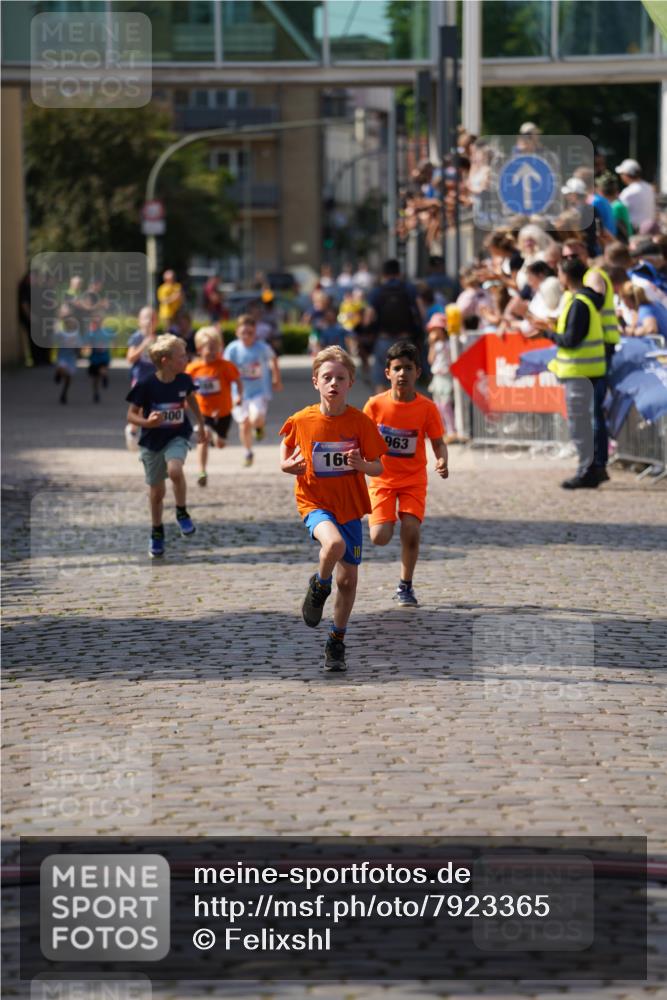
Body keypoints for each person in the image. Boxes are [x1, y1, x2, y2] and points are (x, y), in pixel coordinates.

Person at [279, 346, 387, 673]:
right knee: (334, 544)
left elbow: (378, 466)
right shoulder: (302, 419)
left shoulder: (360, 423)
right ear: (315, 381)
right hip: (314, 502)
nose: (333, 384)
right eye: (327, 377)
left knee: (349, 581)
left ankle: (336, 640)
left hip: (349, 507)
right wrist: (286, 465)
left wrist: (362, 465)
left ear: (351, 382)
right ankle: (319, 585)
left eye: (340, 378)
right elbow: (286, 446)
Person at [363, 340, 448, 607]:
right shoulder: (375, 405)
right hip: (382, 480)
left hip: (413, 480)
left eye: (408, 368)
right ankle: (384, 518)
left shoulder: (427, 408)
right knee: (379, 537)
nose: (402, 374)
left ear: (417, 372)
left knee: (411, 529)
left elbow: (438, 442)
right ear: (387, 373)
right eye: (397, 368)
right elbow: (359, 438)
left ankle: (405, 586)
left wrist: (442, 460)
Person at [126, 334, 205, 558]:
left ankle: (181, 512)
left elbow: (191, 399)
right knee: (157, 493)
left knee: (175, 470)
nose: (187, 359)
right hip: (152, 442)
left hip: (177, 435)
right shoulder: (146, 385)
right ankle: (157, 530)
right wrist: (147, 422)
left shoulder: (184, 380)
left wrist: (201, 424)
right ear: (166, 361)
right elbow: (131, 415)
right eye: (182, 356)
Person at [531, 258, 607, 489]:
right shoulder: (585, 300)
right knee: (587, 422)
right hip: (587, 371)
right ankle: (593, 468)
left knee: (580, 424)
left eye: (559, 274)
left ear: (566, 276)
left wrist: (547, 333)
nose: (558, 278)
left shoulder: (579, 303)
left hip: (579, 372)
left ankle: (587, 470)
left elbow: (570, 340)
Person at [186, 326, 242, 486]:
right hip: (203, 412)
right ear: (199, 349)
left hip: (224, 412)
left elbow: (238, 381)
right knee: (203, 437)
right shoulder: (193, 368)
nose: (213, 352)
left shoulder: (225, 366)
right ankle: (202, 471)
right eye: (209, 348)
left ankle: (217, 437)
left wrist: (239, 396)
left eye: (216, 348)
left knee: (221, 445)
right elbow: (186, 387)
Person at [224, 313, 283, 467]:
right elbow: (226, 368)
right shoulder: (232, 349)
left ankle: (259, 427)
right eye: (243, 333)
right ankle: (248, 452)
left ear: (255, 332)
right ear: (237, 332)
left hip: (259, 391)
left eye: (250, 333)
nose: (246, 336)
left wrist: (276, 378)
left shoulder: (262, 347)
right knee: (244, 423)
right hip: (238, 393)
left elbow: (273, 359)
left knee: (255, 418)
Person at [364, 259, 422, 393]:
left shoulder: (377, 291)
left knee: (381, 379)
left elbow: (368, 318)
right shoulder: (409, 288)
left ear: (383, 274)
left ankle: (383, 406)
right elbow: (421, 313)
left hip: (383, 339)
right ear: (399, 273)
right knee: (406, 377)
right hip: (405, 339)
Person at [125, 306, 158, 450]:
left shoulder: (159, 339)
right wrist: (144, 345)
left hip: (154, 380)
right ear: (139, 321)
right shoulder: (136, 337)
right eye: (146, 318)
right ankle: (132, 430)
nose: (149, 321)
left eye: (153, 318)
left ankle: (149, 435)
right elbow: (130, 358)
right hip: (139, 379)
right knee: (138, 408)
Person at [615, 159, 656, 232]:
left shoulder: (628, 192)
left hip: (634, 231)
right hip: (650, 229)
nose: (621, 176)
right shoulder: (649, 187)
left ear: (626, 174)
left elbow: (617, 210)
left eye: (622, 174)